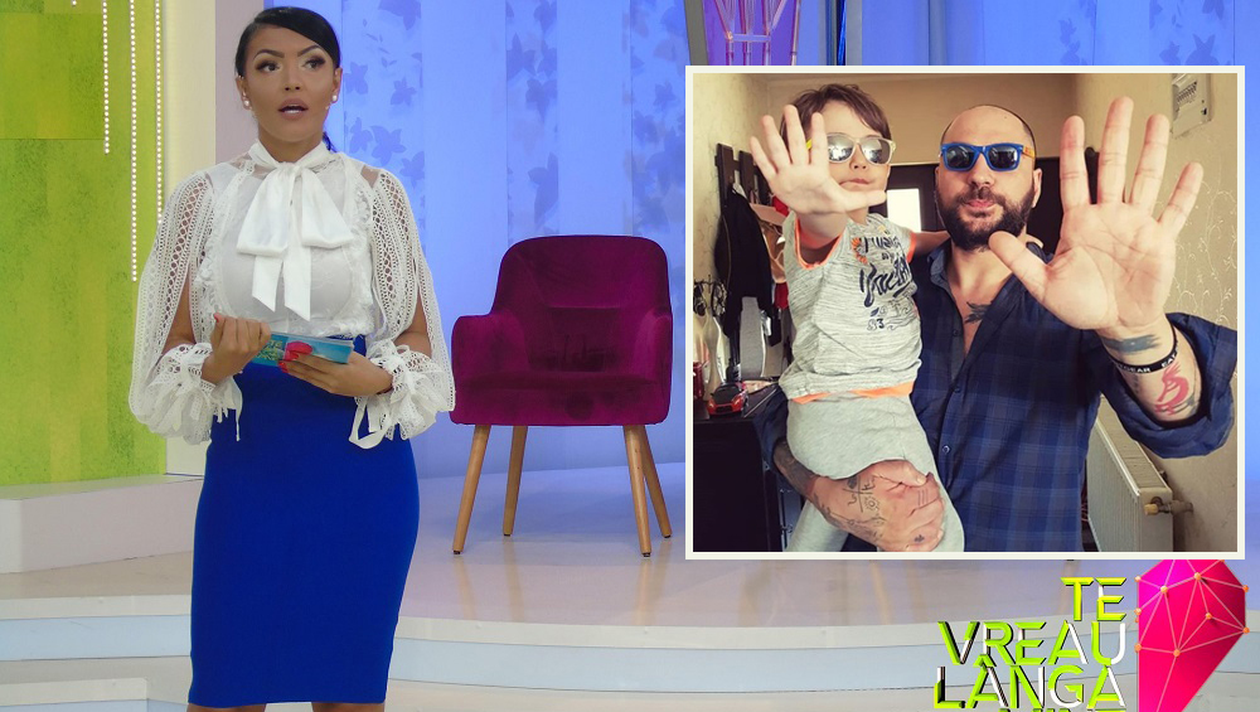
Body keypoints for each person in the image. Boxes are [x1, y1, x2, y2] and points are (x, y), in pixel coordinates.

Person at [129, 7, 453, 710]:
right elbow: (166, 356)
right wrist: (218, 363)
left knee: (347, 691)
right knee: (227, 688)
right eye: (268, 65)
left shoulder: (378, 194)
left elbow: (418, 338)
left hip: (359, 470)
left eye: (311, 63)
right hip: (251, 466)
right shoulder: (200, 199)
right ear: (242, 86)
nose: (291, 81)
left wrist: (377, 377)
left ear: (337, 82)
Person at [754, 97, 1236, 552]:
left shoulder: (1081, 301)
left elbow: (1191, 433)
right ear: (938, 177)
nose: (980, 174)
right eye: (959, 157)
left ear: (1036, 184)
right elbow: (784, 411)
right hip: (871, 591)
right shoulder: (880, 278)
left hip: (1022, 595)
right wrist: (823, 492)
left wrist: (1133, 328)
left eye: (1004, 158)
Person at [748, 84, 962, 552]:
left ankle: (790, 589)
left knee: (829, 527)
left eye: (874, 149)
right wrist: (815, 206)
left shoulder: (882, 229)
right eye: (836, 149)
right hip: (850, 409)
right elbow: (821, 225)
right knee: (938, 534)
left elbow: (929, 241)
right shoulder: (816, 229)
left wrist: (996, 240)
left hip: (866, 408)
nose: (860, 161)